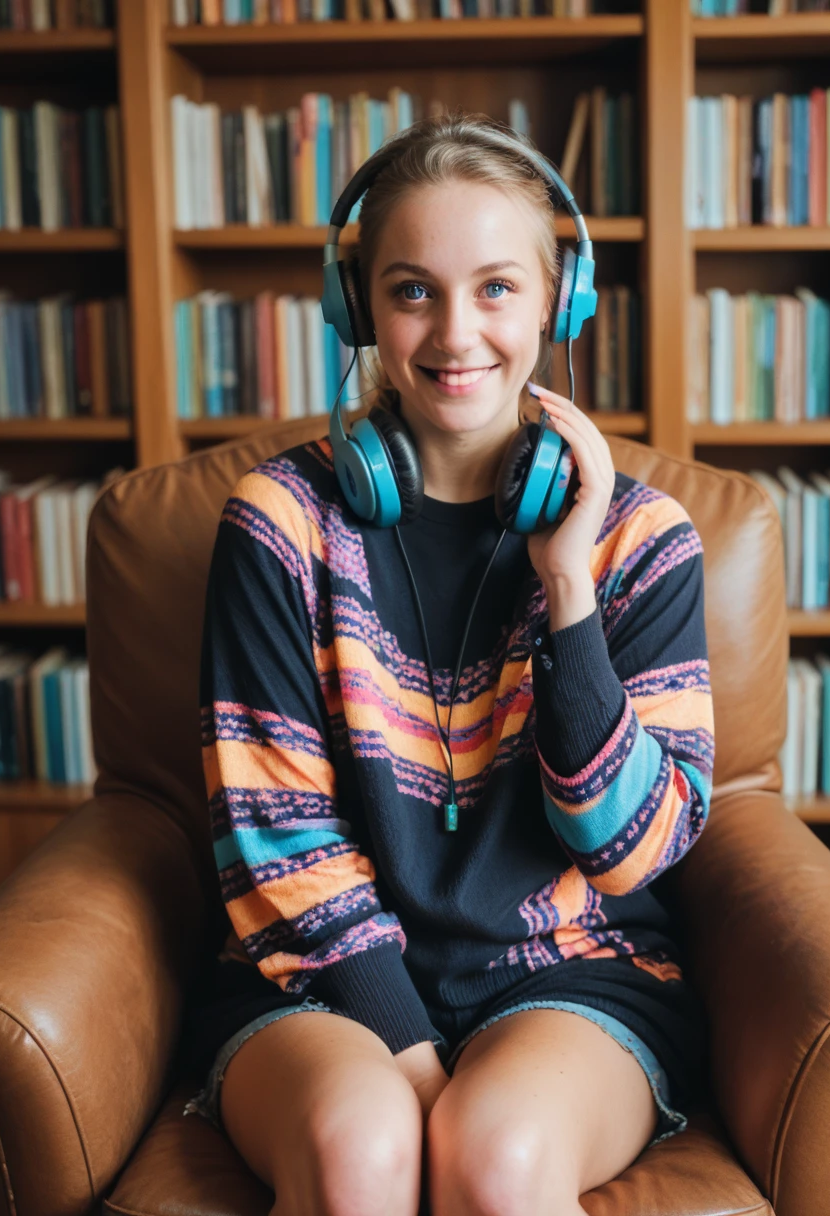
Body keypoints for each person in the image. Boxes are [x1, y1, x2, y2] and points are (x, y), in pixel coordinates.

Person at [182, 112, 715, 1216]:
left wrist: (569, 598)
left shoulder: (643, 541)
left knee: (501, 1157)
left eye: (497, 288)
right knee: (362, 1149)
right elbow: (278, 837)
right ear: (358, 307)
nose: (455, 331)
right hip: (320, 983)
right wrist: (416, 1060)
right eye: (413, 289)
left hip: (572, 975)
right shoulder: (280, 524)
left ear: (560, 301)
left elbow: (633, 851)